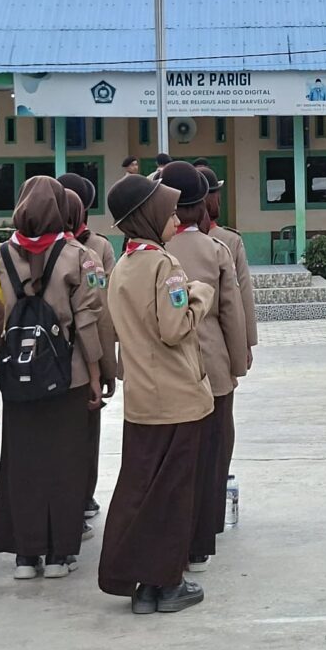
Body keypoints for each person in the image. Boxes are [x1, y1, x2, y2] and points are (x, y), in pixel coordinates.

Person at [96, 172, 214, 614]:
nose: (175, 219)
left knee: (141, 491)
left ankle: (143, 585)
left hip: (142, 398)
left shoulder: (123, 266)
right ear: (148, 216)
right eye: (167, 212)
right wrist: (200, 295)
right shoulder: (164, 266)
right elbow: (175, 327)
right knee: (173, 494)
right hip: (177, 397)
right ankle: (168, 583)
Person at [0, 177, 107, 580]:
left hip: (17, 373)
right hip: (67, 373)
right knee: (65, 462)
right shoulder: (79, 256)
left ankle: (25, 554)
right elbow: (87, 321)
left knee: (22, 462)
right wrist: (96, 373)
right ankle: (58, 555)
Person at [158, 162, 250, 573]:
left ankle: (173, 533)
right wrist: (237, 362)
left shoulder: (151, 253)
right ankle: (205, 531)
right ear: (202, 204)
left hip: (165, 367)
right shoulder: (217, 248)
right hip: (211, 364)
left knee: (173, 455)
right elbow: (232, 310)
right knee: (213, 448)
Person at [203, 167, 257, 553]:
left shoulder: (164, 244)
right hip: (218, 351)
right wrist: (244, 348)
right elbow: (239, 301)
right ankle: (213, 499)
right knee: (220, 429)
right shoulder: (227, 242)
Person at [60, 171, 117, 522]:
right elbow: (101, 313)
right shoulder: (96, 249)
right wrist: (106, 367)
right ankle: (81, 497)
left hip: (34, 361)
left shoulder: (18, 249)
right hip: (83, 358)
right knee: (83, 431)